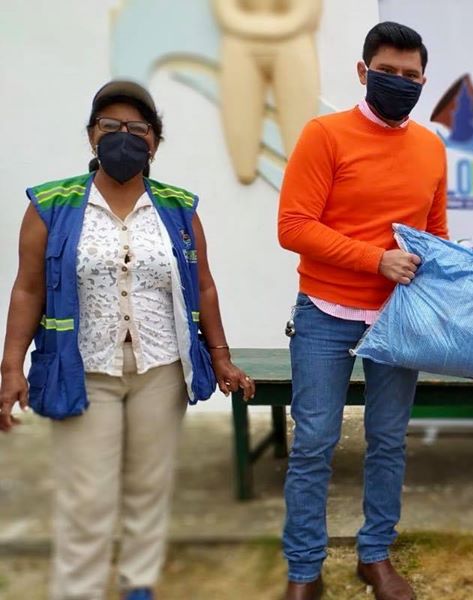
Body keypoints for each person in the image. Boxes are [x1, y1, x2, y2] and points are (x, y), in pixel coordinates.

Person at [0, 81, 253, 600]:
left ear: (154, 141)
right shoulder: (51, 204)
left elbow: (203, 285)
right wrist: (11, 367)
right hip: (83, 369)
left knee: (148, 486)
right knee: (87, 496)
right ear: (92, 135)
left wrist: (221, 357)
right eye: (110, 126)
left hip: (161, 369)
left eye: (137, 128)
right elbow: (27, 289)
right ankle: (79, 590)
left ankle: (138, 583)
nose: (124, 136)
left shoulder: (178, 208)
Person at [276, 22, 447, 600]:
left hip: (398, 319)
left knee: (388, 440)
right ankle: (304, 568)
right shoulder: (324, 135)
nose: (399, 82)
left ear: (423, 81)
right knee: (315, 440)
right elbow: (293, 227)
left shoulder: (431, 147)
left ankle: (374, 555)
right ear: (362, 71)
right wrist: (376, 260)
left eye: (410, 75)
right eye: (387, 72)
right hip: (324, 313)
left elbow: (434, 235)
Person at [213, 0, 322, 184]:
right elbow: (226, 12)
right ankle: (245, 169)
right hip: (242, 44)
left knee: (300, 143)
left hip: (291, 42)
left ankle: (301, 179)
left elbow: (303, 13)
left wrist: (258, 27)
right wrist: (269, 27)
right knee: (243, 158)